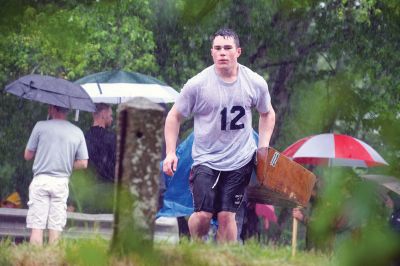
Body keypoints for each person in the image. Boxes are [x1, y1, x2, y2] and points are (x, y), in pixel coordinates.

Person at [163, 28, 276, 243]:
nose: (222, 53)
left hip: (239, 159)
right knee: (204, 216)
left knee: (227, 216)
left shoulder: (254, 82)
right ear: (212, 52)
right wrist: (170, 153)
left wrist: (263, 148)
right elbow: (173, 117)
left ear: (238, 52)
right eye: (217, 48)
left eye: (227, 48)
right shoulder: (197, 84)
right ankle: (197, 249)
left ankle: (225, 258)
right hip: (206, 159)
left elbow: (268, 113)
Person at [24, 105, 88, 245]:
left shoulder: (40, 126)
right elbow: (83, 163)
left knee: (37, 228)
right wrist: (65, 164)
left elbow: (27, 155)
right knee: (56, 229)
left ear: (52, 108)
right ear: (68, 111)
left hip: (41, 180)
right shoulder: (77, 132)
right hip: (61, 182)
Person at [85, 103, 116, 183]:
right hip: (107, 186)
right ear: (103, 114)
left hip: (87, 185)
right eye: (110, 115)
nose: (111, 119)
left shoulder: (84, 137)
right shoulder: (112, 138)